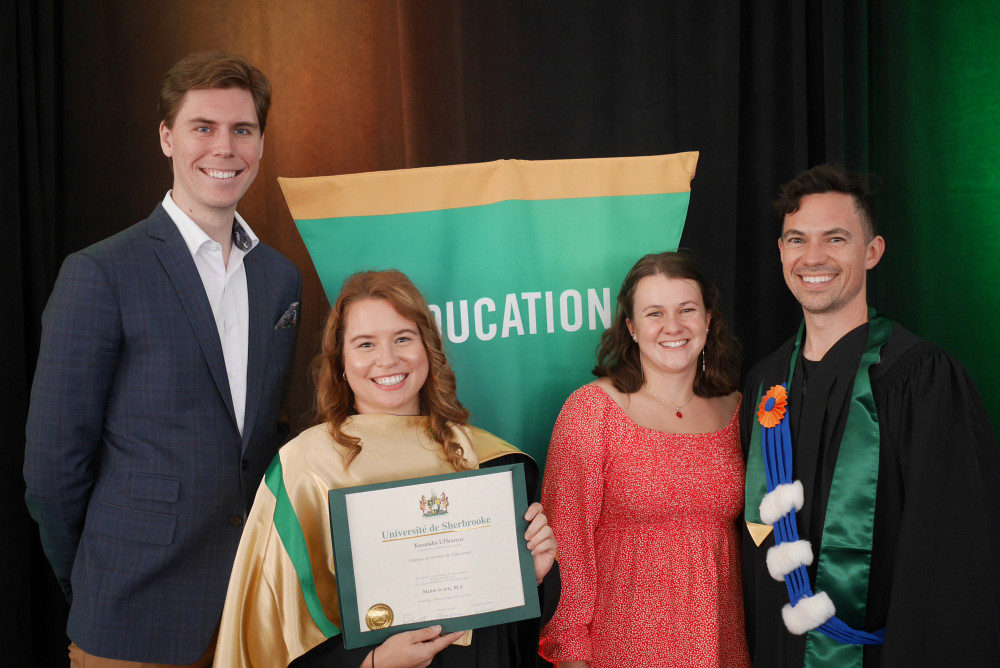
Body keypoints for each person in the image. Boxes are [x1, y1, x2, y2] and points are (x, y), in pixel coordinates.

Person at [23, 52, 302, 666]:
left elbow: (265, 444)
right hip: (131, 616)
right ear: (167, 137)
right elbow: (51, 470)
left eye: (242, 130)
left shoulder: (280, 280)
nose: (224, 148)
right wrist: (93, 581)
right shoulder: (101, 273)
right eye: (203, 127)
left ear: (259, 143)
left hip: (253, 617)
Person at [214, 269, 559, 667]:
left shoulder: (487, 459)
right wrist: (373, 661)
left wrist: (530, 577)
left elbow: (509, 636)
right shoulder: (304, 470)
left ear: (428, 348)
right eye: (365, 344)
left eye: (403, 338)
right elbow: (272, 635)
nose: (388, 359)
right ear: (341, 362)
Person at [741, 164, 1000, 667]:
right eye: (797, 240)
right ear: (781, 252)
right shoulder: (766, 383)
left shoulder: (921, 379)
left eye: (835, 238)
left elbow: (951, 559)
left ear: (872, 251)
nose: (813, 257)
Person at [539, 251, 750, 668]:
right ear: (632, 328)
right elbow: (567, 545)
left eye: (686, 309)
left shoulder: (741, 411)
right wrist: (571, 656)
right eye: (655, 313)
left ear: (708, 318)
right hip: (621, 647)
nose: (673, 326)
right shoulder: (592, 411)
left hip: (721, 646)